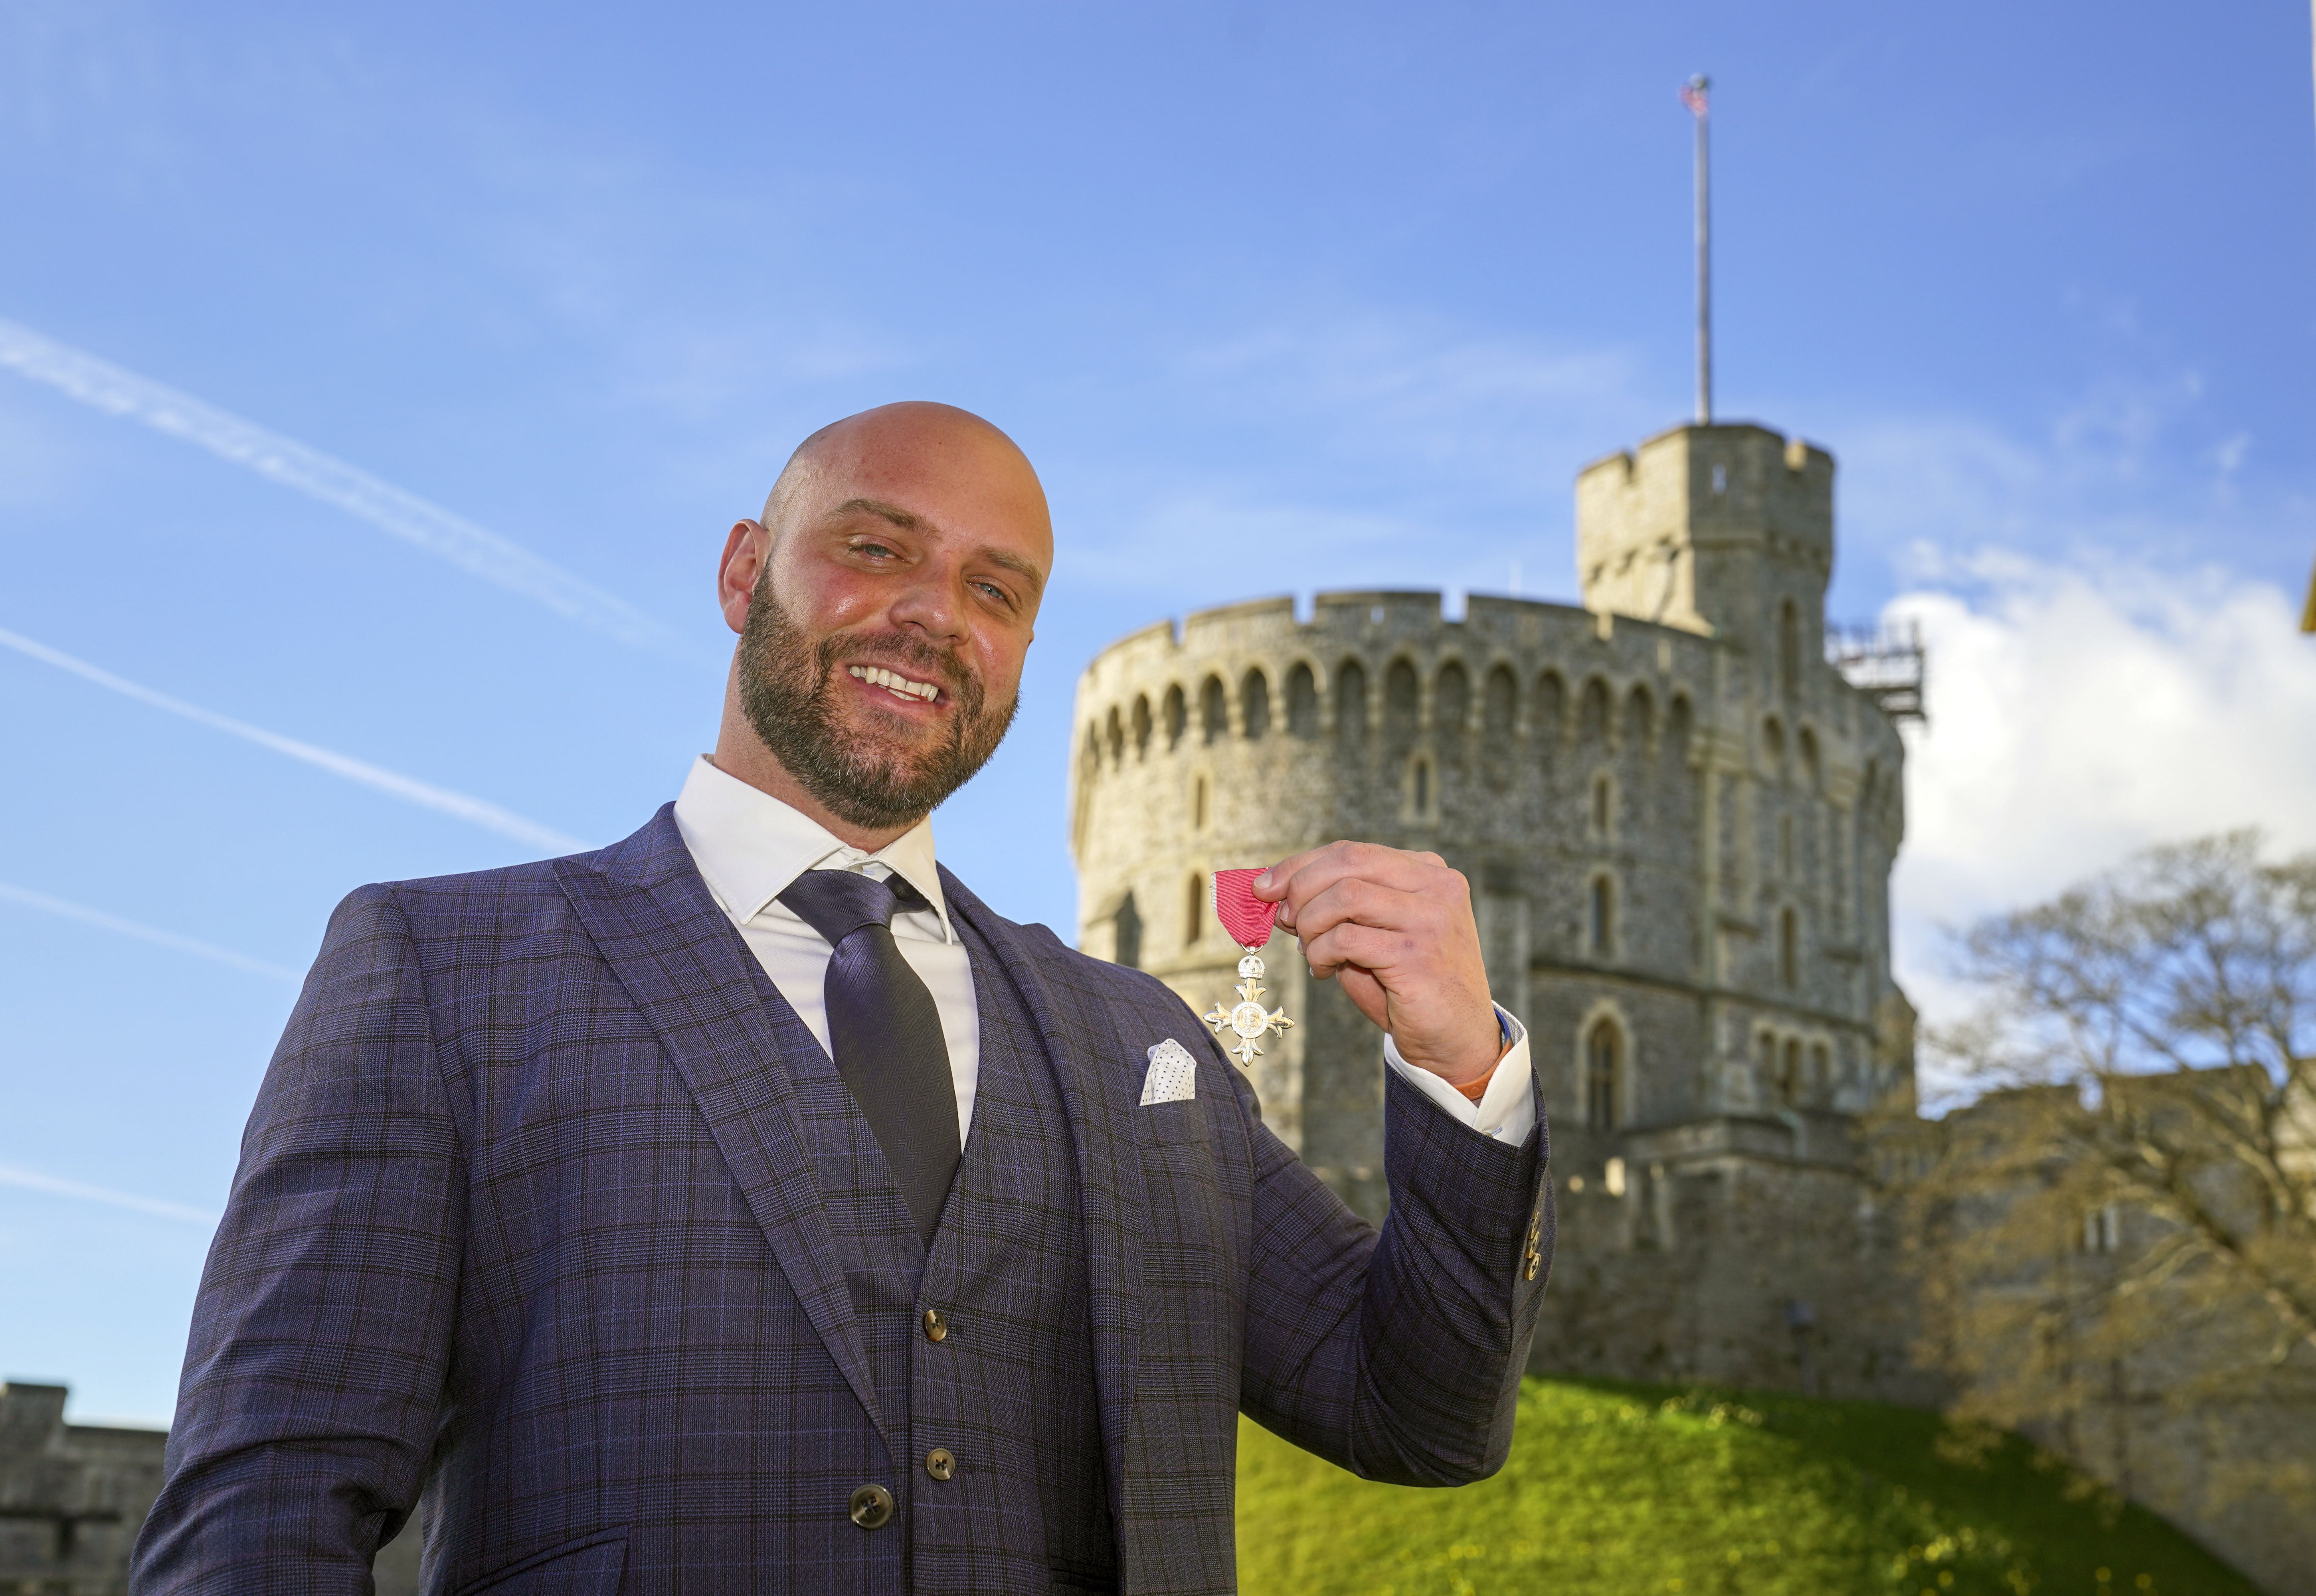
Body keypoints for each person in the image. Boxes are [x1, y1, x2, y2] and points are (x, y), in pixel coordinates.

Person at [130, 403, 1553, 1595]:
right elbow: (268, 1503)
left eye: (997, 591)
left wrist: (1457, 1064)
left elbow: (1417, 1414)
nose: (935, 615)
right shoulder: (447, 968)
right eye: (876, 549)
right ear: (747, 571)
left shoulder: (1145, 1042)